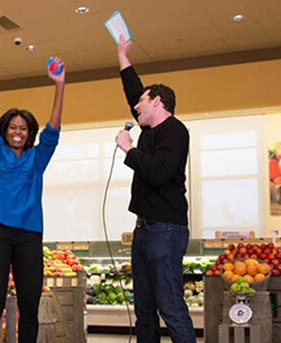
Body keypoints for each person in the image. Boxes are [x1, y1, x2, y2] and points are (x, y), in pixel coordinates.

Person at [0, 33, 65, 343]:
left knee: (29, 308)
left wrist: (60, 85)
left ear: (29, 132)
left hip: (28, 238)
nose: (17, 132)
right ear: (5, 130)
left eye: (23, 128)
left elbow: (54, 128)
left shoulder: (37, 158)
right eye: (12, 127)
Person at [114, 35, 195, 343]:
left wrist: (128, 151)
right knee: (144, 308)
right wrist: (122, 55)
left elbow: (161, 173)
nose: (136, 106)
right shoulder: (148, 127)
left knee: (170, 306)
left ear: (158, 103)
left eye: (142, 102)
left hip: (166, 230)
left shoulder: (175, 131)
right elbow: (133, 89)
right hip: (144, 230)